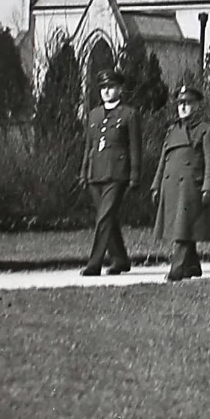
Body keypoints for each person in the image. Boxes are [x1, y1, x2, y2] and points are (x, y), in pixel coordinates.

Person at [151, 85, 210, 282]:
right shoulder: (172, 130)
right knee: (182, 227)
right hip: (171, 187)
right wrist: (156, 185)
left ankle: (177, 268)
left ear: (197, 106)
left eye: (187, 103)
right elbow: (163, 160)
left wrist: (208, 188)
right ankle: (192, 265)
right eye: (180, 103)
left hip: (191, 187)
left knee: (183, 229)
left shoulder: (206, 131)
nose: (183, 107)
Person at [78, 69, 142, 276]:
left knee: (104, 218)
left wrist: (134, 175)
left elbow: (135, 147)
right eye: (103, 88)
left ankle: (94, 263)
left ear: (120, 89)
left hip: (117, 173)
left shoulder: (129, 114)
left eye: (111, 87)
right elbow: (89, 146)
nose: (106, 92)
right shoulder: (94, 115)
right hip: (95, 173)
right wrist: (84, 173)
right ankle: (120, 259)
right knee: (108, 218)